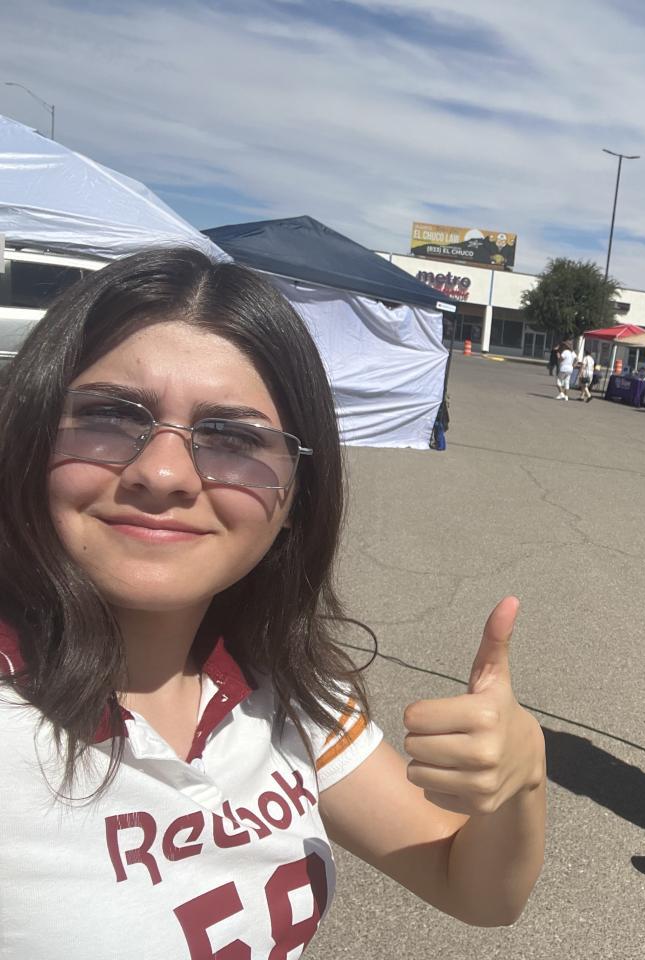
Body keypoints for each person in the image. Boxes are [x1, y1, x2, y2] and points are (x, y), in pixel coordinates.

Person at [0, 249, 547, 956]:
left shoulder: (279, 688)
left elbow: (471, 888)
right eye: (109, 416)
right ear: (31, 436)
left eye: (232, 438)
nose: (162, 472)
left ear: (295, 500)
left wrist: (522, 781)